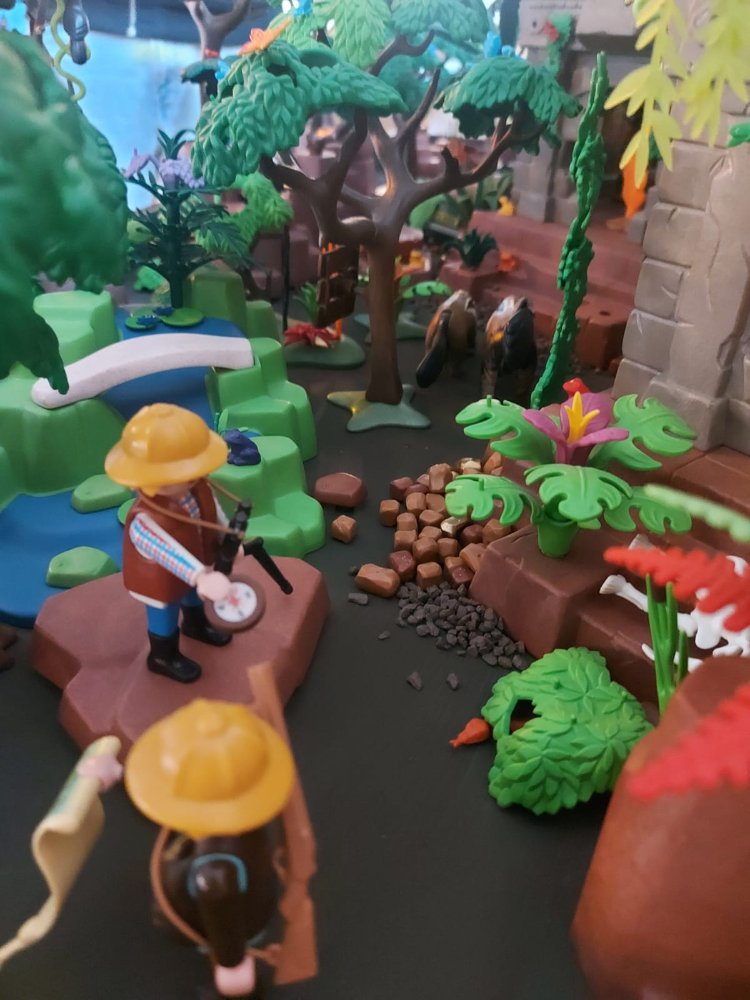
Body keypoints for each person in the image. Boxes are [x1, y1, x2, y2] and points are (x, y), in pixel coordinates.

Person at [125, 698, 295, 999]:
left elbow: (226, 929)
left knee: (227, 957)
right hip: (218, 906)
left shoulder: (216, 871)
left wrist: (232, 966)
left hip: (215, 926)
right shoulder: (244, 816)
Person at [105, 402, 235, 683]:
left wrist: (227, 536)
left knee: (193, 598)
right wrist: (200, 575)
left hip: (197, 563)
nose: (195, 474)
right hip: (162, 581)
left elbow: (212, 514)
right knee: (164, 613)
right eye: (184, 471)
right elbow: (167, 552)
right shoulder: (144, 520)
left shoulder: (197, 488)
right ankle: (163, 655)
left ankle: (196, 625)